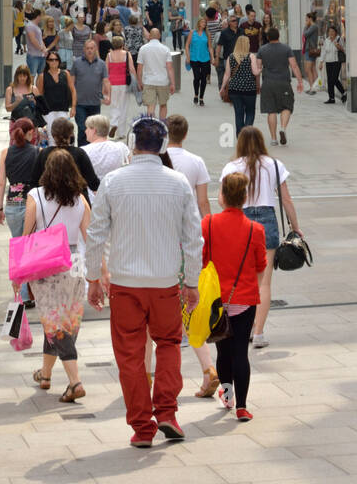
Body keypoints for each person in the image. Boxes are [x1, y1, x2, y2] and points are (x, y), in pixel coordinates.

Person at [85, 116, 202, 447]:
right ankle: (167, 411)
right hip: (165, 282)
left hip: (124, 283)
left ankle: (142, 427)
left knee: (130, 354)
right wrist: (191, 282)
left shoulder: (112, 182)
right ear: (163, 145)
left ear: (132, 144)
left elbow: (96, 235)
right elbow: (194, 238)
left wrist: (94, 277)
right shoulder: (178, 183)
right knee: (167, 344)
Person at [221, 126, 302, 349]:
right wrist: (296, 227)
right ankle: (258, 333)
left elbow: (222, 200)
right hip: (267, 220)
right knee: (263, 283)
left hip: (240, 221)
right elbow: (286, 199)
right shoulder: (274, 165)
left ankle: (242, 329)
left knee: (241, 279)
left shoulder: (231, 166)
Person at [19, 151, 90, 402]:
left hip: (47, 263)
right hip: (75, 263)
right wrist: (100, 272)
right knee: (63, 322)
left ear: (47, 170)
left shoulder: (35, 196)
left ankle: (75, 381)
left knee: (55, 323)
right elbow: (88, 237)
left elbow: (26, 235)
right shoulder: (81, 200)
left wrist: (20, 273)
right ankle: (45, 374)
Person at [160, 115, 219, 398]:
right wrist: (209, 231)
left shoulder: (156, 160)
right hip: (189, 239)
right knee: (190, 305)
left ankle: (148, 377)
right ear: (185, 134)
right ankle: (208, 368)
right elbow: (203, 201)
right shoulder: (196, 161)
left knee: (155, 309)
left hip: (162, 241)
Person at [204, 173, 268, 420]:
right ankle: (242, 406)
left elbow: (202, 261)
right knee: (241, 352)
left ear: (222, 197)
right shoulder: (255, 229)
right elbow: (260, 265)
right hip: (244, 299)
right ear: (245, 197)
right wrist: (252, 291)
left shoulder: (208, 224)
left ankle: (227, 397)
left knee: (223, 352)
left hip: (216, 301)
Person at [253, 26, 303, 146]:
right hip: (284, 82)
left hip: (268, 83)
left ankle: (274, 139)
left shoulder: (262, 50)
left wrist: (258, 85)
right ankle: (283, 128)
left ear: (268, 37)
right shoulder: (286, 48)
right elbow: (294, 65)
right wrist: (300, 81)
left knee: (271, 111)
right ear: (278, 36)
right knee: (287, 107)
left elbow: (258, 69)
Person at [0, 117, 42, 238]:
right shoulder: (38, 152)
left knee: (18, 245)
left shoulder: (5, 153)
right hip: (33, 203)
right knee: (32, 245)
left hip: (12, 205)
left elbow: (1, 183)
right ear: (31, 132)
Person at [37, 117, 100, 204]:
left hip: (50, 201)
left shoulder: (44, 154)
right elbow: (93, 183)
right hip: (77, 201)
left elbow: (35, 182)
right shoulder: (79, 153)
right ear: (71, 134)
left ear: (52, 134)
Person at [70, 37, 110, 146]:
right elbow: (71, 82)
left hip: (95, 103)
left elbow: (106, 81)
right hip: (80, 103)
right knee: (83, 129)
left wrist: (108, 96)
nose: (89, 50)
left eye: (92, 48)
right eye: (87, 48)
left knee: (95, 130)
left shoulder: (101, 64)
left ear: (95, 49)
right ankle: (82, 152)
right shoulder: (77, 63)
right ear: (84, 49)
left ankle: (93, 152)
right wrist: (73, 103)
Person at [35, 50, 77, 145]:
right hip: (49, 112)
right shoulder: (42, 76)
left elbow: (73, 90)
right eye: (51, 59)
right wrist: (40, 113)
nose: (53, 62)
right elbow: (39, 96)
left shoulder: (65, 73)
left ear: (59, 61)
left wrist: (73, 107)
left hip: (63, 109)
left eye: (56, 59)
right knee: (51, 137)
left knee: (65, 135)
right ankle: (53, 157)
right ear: (47, 61)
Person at [221, 34, 257, 136]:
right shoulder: (251, 56)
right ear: (246, 44)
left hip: (234, 89)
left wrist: (223, 87)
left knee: (238, 112)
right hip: (249, 89)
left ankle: (240, 135)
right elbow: (255, 72)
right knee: (250, 112)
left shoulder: (231, 57)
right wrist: (260, 70)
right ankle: (247, 134)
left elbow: (227, 74)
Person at [136, 27, 175, 119]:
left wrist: (139, 82)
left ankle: (151, 125)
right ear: (159, 36)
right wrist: (173, 83)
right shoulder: (165, 49)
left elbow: (139, 68)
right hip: (163, 81)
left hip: (149, 81)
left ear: (149, 36)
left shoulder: (143, 49)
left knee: (150, 106)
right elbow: (170, 68)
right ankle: (162, 123)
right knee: (163, 104)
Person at [106, 33, 138, 139]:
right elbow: (132, 68)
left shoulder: (109, 55)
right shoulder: (126, 54)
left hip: (112, 83)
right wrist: (137, 80)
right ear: (122, 44)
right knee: (124, 106)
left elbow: (106, 71)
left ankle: (114, 122)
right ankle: (121, 132)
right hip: (124, 83)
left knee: (114, 105)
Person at [83, 113, 130, 179]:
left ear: (93, 130)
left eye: (87, 128)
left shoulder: (84, 151)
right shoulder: (121, 147)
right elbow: (130, 165)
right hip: (116, 186)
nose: (85, 131)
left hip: (94, 188)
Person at [185, 16, 214, 106]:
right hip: (194, 58)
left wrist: (212, 57)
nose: (204, 24)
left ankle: (201, 97)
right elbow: (187, 46)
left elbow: (210, 47)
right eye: (202, 22)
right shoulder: (192, 32)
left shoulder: (207, 34)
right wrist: (188, 56)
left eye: (205, 23)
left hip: (205, 58)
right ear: (198, 23)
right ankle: (196, 94)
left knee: (204, 79)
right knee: (197, 77)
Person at [5, 64, 42, 129]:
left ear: (28, 77)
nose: (22, 78)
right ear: (16, 76)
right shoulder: (10, 89)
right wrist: (16, 102)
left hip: (32, 124)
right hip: (16, 123)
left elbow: (42, 108)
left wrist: (34, 101)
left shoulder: (34, 89)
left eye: (24, 76)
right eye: (20, 76)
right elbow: (8, 109)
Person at [321, 25, 347, 104]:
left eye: (332, 31)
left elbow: (344, 49)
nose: (331, 33)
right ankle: (331, 98)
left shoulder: (339, 39)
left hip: (336, 61)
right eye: (329, 32)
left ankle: (343, 92)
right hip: (328, 62)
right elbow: (324, 51)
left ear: (336, 32)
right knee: (330, 80)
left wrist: (338, 46)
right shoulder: (327, 40)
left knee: (334, 79)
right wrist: (321, 62)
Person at [214, 12, 240, 91]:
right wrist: (217, 58)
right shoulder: (224, 33)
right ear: (229, 23)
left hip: (239, 58)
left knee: (237, 77)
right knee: (228, 77)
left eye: (236, 20)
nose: (235, 22)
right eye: (233, 21)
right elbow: (219, 46)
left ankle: (234, 94)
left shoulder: (241, 31)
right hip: (228, 59)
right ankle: (226, 93)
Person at [24, 11, 48, 78]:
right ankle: (32, 88)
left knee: (41, 75)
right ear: (38, 16)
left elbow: (40, 39)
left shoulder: (36, 26)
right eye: (42, 16)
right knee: (32, 75)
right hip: (33, 55)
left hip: (41, 55)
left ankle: (38, 88)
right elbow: (33, 39)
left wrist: (45, 49)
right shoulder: (30, 26)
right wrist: (41, 49)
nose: (43, 18)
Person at [301, 12, 320, 92]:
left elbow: (305, 34)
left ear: (310, 19)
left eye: (306, 19)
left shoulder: (313, 26)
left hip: (310, 50)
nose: (306, 20)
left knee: (308, 69)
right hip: (309, 50)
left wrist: (305, 26)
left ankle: (313, 87)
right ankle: (314, 87)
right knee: (312, 68)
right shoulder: (312, 26)